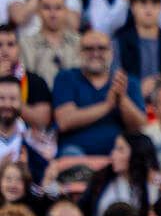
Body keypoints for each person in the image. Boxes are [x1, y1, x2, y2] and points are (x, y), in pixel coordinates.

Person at [52, 26, 145, 157]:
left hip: (118, 157)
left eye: (101, 48)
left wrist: (123, 99)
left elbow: (140, 126)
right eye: (89, 49)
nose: (95, 53)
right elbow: (64, 121)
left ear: (111, 52)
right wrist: (107, 106)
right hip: (75, 156)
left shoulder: (126, 81)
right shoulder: (66, 77)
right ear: (79, 52)